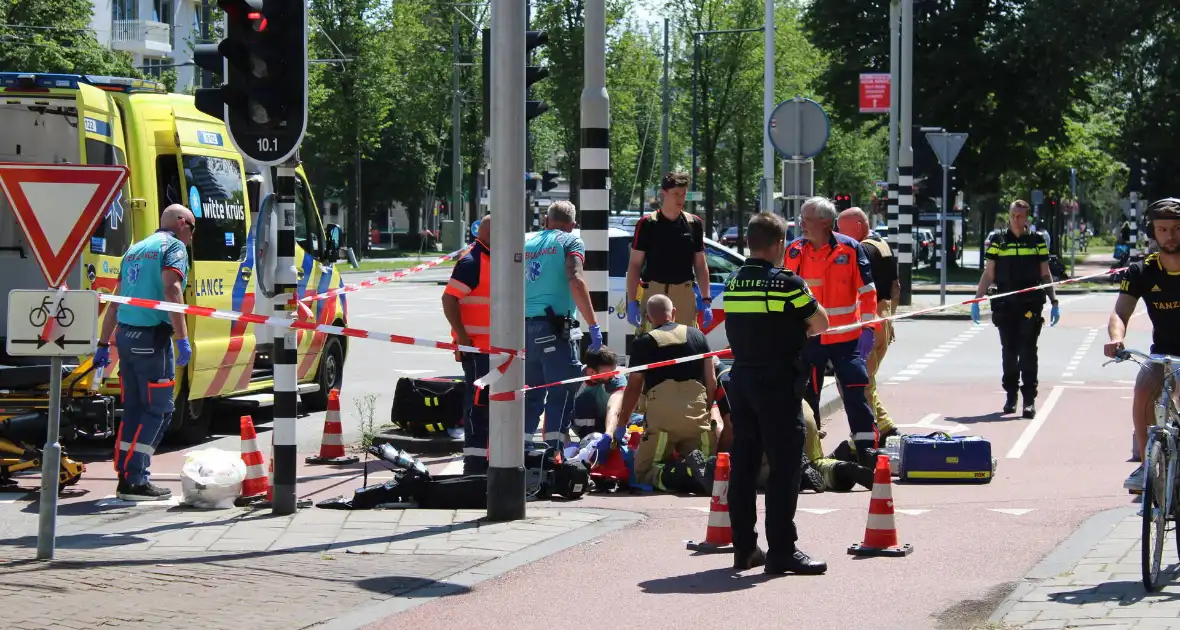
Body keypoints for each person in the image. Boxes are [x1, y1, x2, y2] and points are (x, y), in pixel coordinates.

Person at [724, 212, 829, 575]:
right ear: (779, 244)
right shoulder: (787, 284)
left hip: (742, 381)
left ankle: (744, 548)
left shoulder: (734, 283)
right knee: (784, 470)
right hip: (778, 384)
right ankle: (782, 550)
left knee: (744, 466)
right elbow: (821, 323)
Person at [93, 204, 196, 501]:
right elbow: (172, 290)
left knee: (136, 409)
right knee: (161, 410)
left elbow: (115, 301)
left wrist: (103, 344)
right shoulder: (173, 247)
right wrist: (182, 338)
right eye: (191, 228)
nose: (190, 237)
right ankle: (136, 479)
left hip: (126, 337)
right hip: (153, 339)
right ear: (181, 223)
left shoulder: (134, 249)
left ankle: (125, 475)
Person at [782, 196, 880, 467]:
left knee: (855, 393)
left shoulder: (851, 249)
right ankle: (805, 453)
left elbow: (868, 294)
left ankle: (865, 450)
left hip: (846, 339)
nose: (801, 223)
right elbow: (786, 293)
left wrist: (869, 329)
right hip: (810, 339)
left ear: (825, 222)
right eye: (801, 218)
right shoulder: (795, 251)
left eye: (807, 219)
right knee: (804, 395)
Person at [603, 294, 715, 494]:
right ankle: (697, 473)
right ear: (674, 312)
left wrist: (621, 426)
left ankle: (681, 473)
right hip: (697, 414)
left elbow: (634, 388)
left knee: (645, 471)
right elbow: (711, 380)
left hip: (663, 420)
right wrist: (705, 411)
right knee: (707, 465)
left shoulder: (644, 342)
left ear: (647, 318)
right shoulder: (698, 336)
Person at [1105, 198, 1180, 494]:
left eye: (1176, 229)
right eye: (1163, 229)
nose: (1170, 236)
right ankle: (1147, 462)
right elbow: (1119, 313)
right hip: (1163, 354)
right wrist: (1116, 338)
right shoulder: (1140, 272)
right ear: (1154, 232)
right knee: (1143, 388)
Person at [972, 200, 1060, 418]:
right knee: (1009, 352)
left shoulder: (1037, 241)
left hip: (1030, 303)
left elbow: (1044, 273)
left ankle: (1029, 400)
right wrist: (977, 299)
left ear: (1027, 217)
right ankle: (1011, 394)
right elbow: (989, 273)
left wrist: (1054, 301)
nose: (1017, 220)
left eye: (1021, 216)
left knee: (1028, 351)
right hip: (1005, 303)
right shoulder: (998, 241)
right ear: (1009, 216)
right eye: (1013, 215)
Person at [524, 201, 601, 447]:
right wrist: (593, 324)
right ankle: (552, 457)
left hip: (524, 330)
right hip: (554, 330)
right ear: (573, 225)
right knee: (562, 393)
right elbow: (576, 279)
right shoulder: (570, 242)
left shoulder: (527, 244)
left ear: (546, 220)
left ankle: (523, 454)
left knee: (531, 396)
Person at [836, 207, 900, 440]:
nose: (838, 236)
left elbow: (858, 291)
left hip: (868, 317)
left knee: (857, 383)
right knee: (867, 380)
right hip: (883, 316)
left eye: (841, 230)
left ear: (858, 227)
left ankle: (868, 434)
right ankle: (883, 426)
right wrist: (890, 321)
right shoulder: (883, 246)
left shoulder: (860, 250)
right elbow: (896, 287)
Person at [625, 171, 713, 334]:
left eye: (684, 194)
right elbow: (635, 264)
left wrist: (706, 300)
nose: (681, 199)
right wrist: (631, 302)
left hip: (684, 293)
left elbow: (700, 264)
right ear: (663, 193)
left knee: (685, 348)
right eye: (676, 194)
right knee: (653, 348)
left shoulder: (694, 223)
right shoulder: (648, 223)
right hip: (654, 293)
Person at [442, 215, 492, 474]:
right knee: (478, 406)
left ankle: (488, 459)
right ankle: (474, 464)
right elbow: (449, 299)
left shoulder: (490, 258)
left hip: (495, 349)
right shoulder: (472, 262)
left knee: (492, 406)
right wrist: (462, 338)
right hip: (478, 350)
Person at [571, 348, 629, 440]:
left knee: (640, 420)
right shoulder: (574, 379)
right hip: (585, 426)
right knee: (587, 399)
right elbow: (558, 411)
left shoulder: (617, 379)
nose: (613, 375)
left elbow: (613, 408)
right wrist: (567, 446)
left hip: (611, 421)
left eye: (614, 370)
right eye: (609, 372)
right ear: (591, 372)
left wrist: (608, 434)